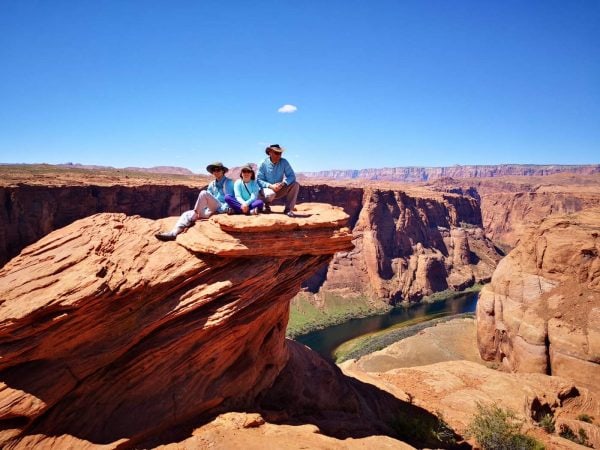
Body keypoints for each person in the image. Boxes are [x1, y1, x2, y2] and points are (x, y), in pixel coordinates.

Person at [155, 161, 234, 241]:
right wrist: (203, 211)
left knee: (203, 193)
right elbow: (207, 200)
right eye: (214, 170)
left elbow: (229, 198)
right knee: (186, 214)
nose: (216, 172)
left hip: (221, 208)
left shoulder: (228, 182)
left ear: (223, 171)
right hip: (210, 210)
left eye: (218, 170)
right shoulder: (212, 184)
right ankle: (173, 233)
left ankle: (195, 214)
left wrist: (222, 210)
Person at [257, 144, 300, 217]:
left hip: (279, 188)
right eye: (276, 153)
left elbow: (292, 176)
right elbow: (258, 180)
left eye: (280, 153)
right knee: (271, 194)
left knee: (295, 185)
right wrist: (270, 186)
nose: (279, 155)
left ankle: (288, 210)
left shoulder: (284, 162)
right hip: (266, 191)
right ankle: (265, 205)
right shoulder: (263, 163)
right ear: (270, 152)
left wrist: (283, 183)